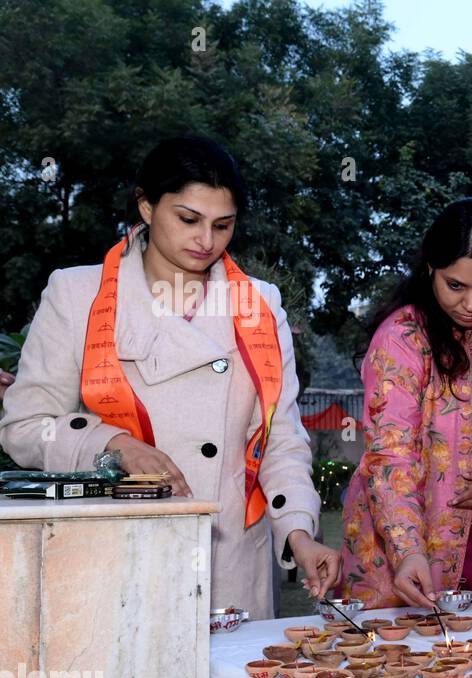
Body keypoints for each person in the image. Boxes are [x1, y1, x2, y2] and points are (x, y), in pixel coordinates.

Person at [0, 135, 338, 616]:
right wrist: (114, 444)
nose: (206, 241)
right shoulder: (76, 294)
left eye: (223, 225)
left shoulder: (260, 304)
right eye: (188, 219)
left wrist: (299, 531)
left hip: (232, 567)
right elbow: (26, 425)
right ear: (145, 204)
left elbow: (280, 437)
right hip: (121, 559)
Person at [340, 197, 472, 612]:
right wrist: (407, 551)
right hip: (410, 562)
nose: (471, 305)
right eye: (456, 286)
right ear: (430, 268)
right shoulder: (402, 338)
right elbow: (390, 456)